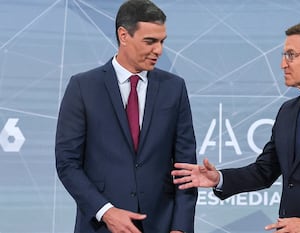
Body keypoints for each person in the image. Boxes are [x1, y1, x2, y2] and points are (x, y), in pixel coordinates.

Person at [172, 21, 300, 233]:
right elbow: (265, 170)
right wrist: (219, 178)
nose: (283, 64)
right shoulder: (288, 112)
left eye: (290, 55)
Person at [55, 0, 197, 232]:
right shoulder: (83, 87)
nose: (159, 50)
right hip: (100, 226)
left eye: (162, 42)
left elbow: (185, 168)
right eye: (150, 41)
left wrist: (180, 227)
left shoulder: (174, 88)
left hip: (161, 225)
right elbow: (67, 164)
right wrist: (106, 211)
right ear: (123, 35)